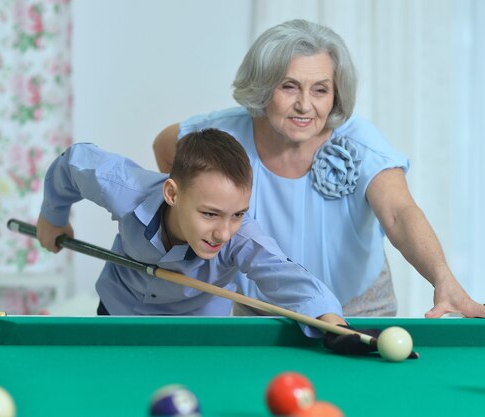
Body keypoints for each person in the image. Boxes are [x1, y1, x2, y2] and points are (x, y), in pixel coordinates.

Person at [152, 19, 485, 319]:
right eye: (289, 86)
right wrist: (192, 221)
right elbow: (164, 147)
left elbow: (399, 213)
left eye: (320, 90)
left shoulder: (360, 142)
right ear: (264, 87)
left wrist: (443, 279)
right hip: (258, 310)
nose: (304, 106)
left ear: (336, 93)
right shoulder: (223, 133)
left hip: (358, 308)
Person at [36, 128, 355, 344]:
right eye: (210, 214)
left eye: (238, 214)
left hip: (197, 333)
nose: (224, 231)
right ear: (172, 194)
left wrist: (331, 322)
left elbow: (284, 274)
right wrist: (53, 218)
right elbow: (72, 163)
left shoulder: (239, 238)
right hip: (116, 314)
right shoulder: (124, 188)